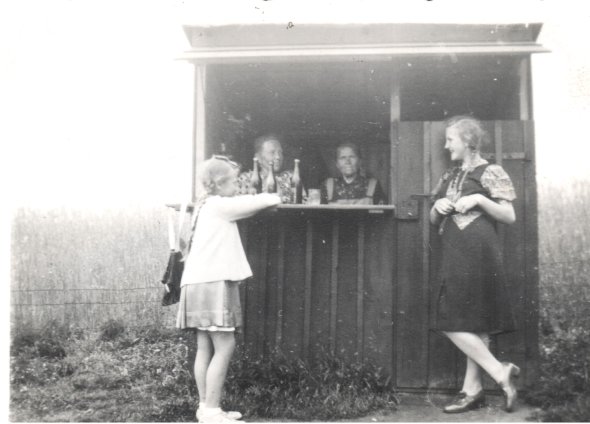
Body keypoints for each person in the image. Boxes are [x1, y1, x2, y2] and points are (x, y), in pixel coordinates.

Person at [176, 155, 281, 423]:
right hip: (213, 284)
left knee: (204, 347)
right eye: (235, 181)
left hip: (196, 283)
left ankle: (206, 407)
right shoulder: (219, 205)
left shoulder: (202, 206)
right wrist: (275, 195)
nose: (238, 186)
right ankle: (211, 411)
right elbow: (260, 201)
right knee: (225, 346)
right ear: (220, 183)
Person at [430, 116, 520, 414]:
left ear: (468, 141)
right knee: (466, 320)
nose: (446, 145)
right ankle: (477, 388)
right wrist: (436, 208)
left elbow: (508, 216)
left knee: (457, 321)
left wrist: (480, 200)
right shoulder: (450, 175)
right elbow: (434, 220)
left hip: (479, 252)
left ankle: (487, 379)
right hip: (455, 250)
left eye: (450, 140)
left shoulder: (491, 171)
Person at [237, 134, 303, 203]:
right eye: (272, 152)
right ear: (258, 157)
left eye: (280, 152)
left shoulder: (290, 178)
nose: (278, 157)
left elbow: (303, 204)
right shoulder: (246, 179)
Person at [321, 142, 385, 205]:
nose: (347, 161)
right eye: (343, 158)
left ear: (360, 162)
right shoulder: (328, 185)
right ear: (337, 164)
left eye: (352, 157)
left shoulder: (373, 185)